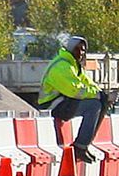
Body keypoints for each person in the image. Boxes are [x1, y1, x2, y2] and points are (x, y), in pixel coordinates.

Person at [41, 33, 106, 163]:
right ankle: (80, 146)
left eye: (83, 49)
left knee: (99, 103)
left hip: (64, 102)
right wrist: (98, 95)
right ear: (70, 49)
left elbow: (88, 83)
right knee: (93, 106)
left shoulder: (73, 65)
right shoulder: (62, 66)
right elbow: (75, 90)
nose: (81, 52)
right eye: (78, 49)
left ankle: (84, 145)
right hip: (52, 106)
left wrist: (103, 93)